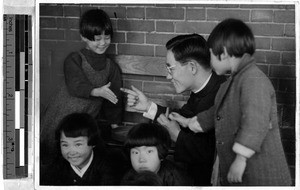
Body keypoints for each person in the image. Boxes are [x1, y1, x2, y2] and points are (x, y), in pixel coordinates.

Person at [191, 18, 292, 186]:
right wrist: (192, 122)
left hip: (262, 176)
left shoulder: (253, 80)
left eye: (210, 55)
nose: (209, 61)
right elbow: (218, 111)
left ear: (222, 53)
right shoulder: (232, 82)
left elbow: (256, 122)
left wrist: (240, 159)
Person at [121, 34, 226, 185]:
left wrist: (176, 135)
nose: (168, 76)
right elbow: (181, 117)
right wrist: (147, 106)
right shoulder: (204, 89)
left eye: (170, 68)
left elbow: (214, 153)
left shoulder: (222, 95)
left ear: (192, 67)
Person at [40, 9, 123, 164]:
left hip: (84, 123)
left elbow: (114, 98)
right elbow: (75, 84)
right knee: (52, 153)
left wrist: (115, 125)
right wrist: (97, 91)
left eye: (107, 37)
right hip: (61, 116)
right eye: (97, 39)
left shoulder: (111, 67)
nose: (103, 42)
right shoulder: (74, 59)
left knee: (79, 156)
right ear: (84, 37)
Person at [40, 113, 119, 185]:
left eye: (78, 144)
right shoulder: (56, 167)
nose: (71, 152)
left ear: (93, 142)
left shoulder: (107, 166)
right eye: (65, 145)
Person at [122, 123, 192, 186]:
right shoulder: (127, 177)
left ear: (161, 153)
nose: (141, 159)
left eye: (149, 151)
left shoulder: (178, 181)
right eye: (135, 152)